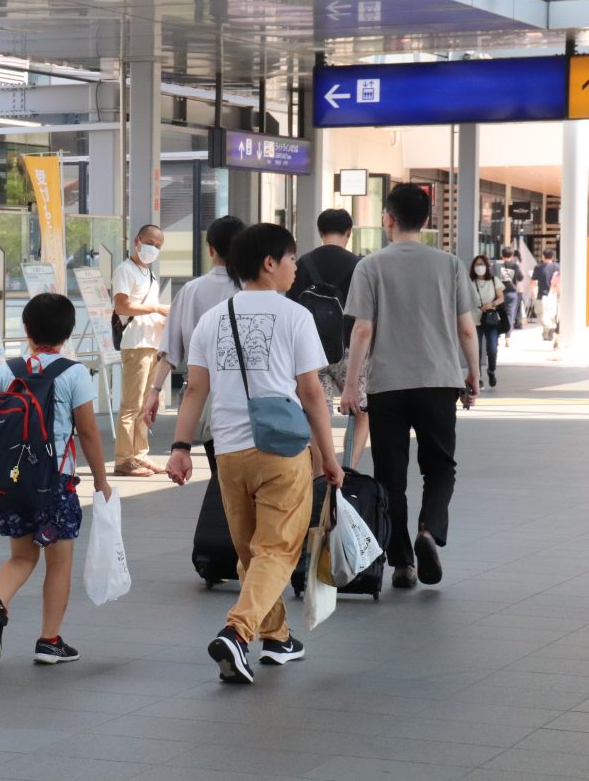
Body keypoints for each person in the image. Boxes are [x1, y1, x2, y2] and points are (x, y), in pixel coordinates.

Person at [166, 223, 343, 685]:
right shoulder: (295, 316)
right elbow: (311, 393)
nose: (295, 268)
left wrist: (180, 448)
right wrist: (330, 455)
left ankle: (278, 637)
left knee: (251, 553)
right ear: (269, 263)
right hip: (282, 449)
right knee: (279, 549)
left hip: (228, 452)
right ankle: (237, 633)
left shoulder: (213, 318)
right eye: (291, 259)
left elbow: (194, 391)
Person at [341, 183, 480, 590]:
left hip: (387, 386)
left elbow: (363, 330)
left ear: (388, 218)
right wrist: (471, 374)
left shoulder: (370, 266)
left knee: (390, 476)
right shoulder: (450, 264)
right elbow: (467, 330)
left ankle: (402, 562)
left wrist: (351, 386)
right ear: (427, 221)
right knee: (440, 467)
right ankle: (428, 531)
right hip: (438, 381)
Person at [0, 293, 111, 664]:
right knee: (58, 562)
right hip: (55, 483)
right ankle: (49, 640)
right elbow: (89, 432)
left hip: (11, 482)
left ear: (26, 329)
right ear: (68, 333)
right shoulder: (74, 373)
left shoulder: (8, 370)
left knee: (21, 557)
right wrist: (100, 480)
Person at [142, 215, 244, 477]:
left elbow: (171, 350)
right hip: (247, 397)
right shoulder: (250, 289)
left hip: (206, 399)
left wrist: (154, 391)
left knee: (220, 474)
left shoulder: (190, 290)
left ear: (210, 249)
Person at [286, 208, 368, 471]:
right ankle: (349, 468)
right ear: (348, 232)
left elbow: (291, 308)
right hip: (349, 351)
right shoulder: (360, 265)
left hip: (311, 354)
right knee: (363, 412)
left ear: (320, 232)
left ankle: (322, 472)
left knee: (316, 415)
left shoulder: (302, 264)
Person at [111, 224, 169, 477]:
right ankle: (124, 458)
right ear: (137, 241)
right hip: (136, 344)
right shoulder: (125, 270)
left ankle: (140, 455)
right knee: (132, 404)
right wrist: (157, 309)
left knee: (144, 404)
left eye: (158, 246)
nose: (153, 249)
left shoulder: (150, 275)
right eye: (150, 243)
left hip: (151, 343)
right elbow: (122, 306)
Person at [470, 255, 504, 388]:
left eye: (482, 264)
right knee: (475, 350)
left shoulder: (494, 280)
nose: (480, 267)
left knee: (492, 348)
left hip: (490, 320)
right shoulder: (469, 282)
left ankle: (491, 371)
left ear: (487, 266)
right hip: (474, 320)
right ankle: (478, 378)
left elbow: (501, 298)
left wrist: (491, 304)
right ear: (473, 267)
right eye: (477, 264)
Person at [531, 249, 560, 341]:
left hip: (542, 294)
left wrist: (531, 292)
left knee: (540, 313)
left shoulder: (538, 267)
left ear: (543, 256)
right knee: (550, 315)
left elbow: (532, 281)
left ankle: (550, 327)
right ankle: (546, 336)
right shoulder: (558, 267)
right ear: (553, 257)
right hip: (555, 295)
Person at [497, 246, 523, 346]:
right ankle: (507, 338)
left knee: (498, 315)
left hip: (499, 293)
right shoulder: (515, 266)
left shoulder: (497, 266)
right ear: (512, 256)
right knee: (510, 316)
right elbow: (521, 278)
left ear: (501, 255)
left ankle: (498, 337)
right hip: (511, 293)